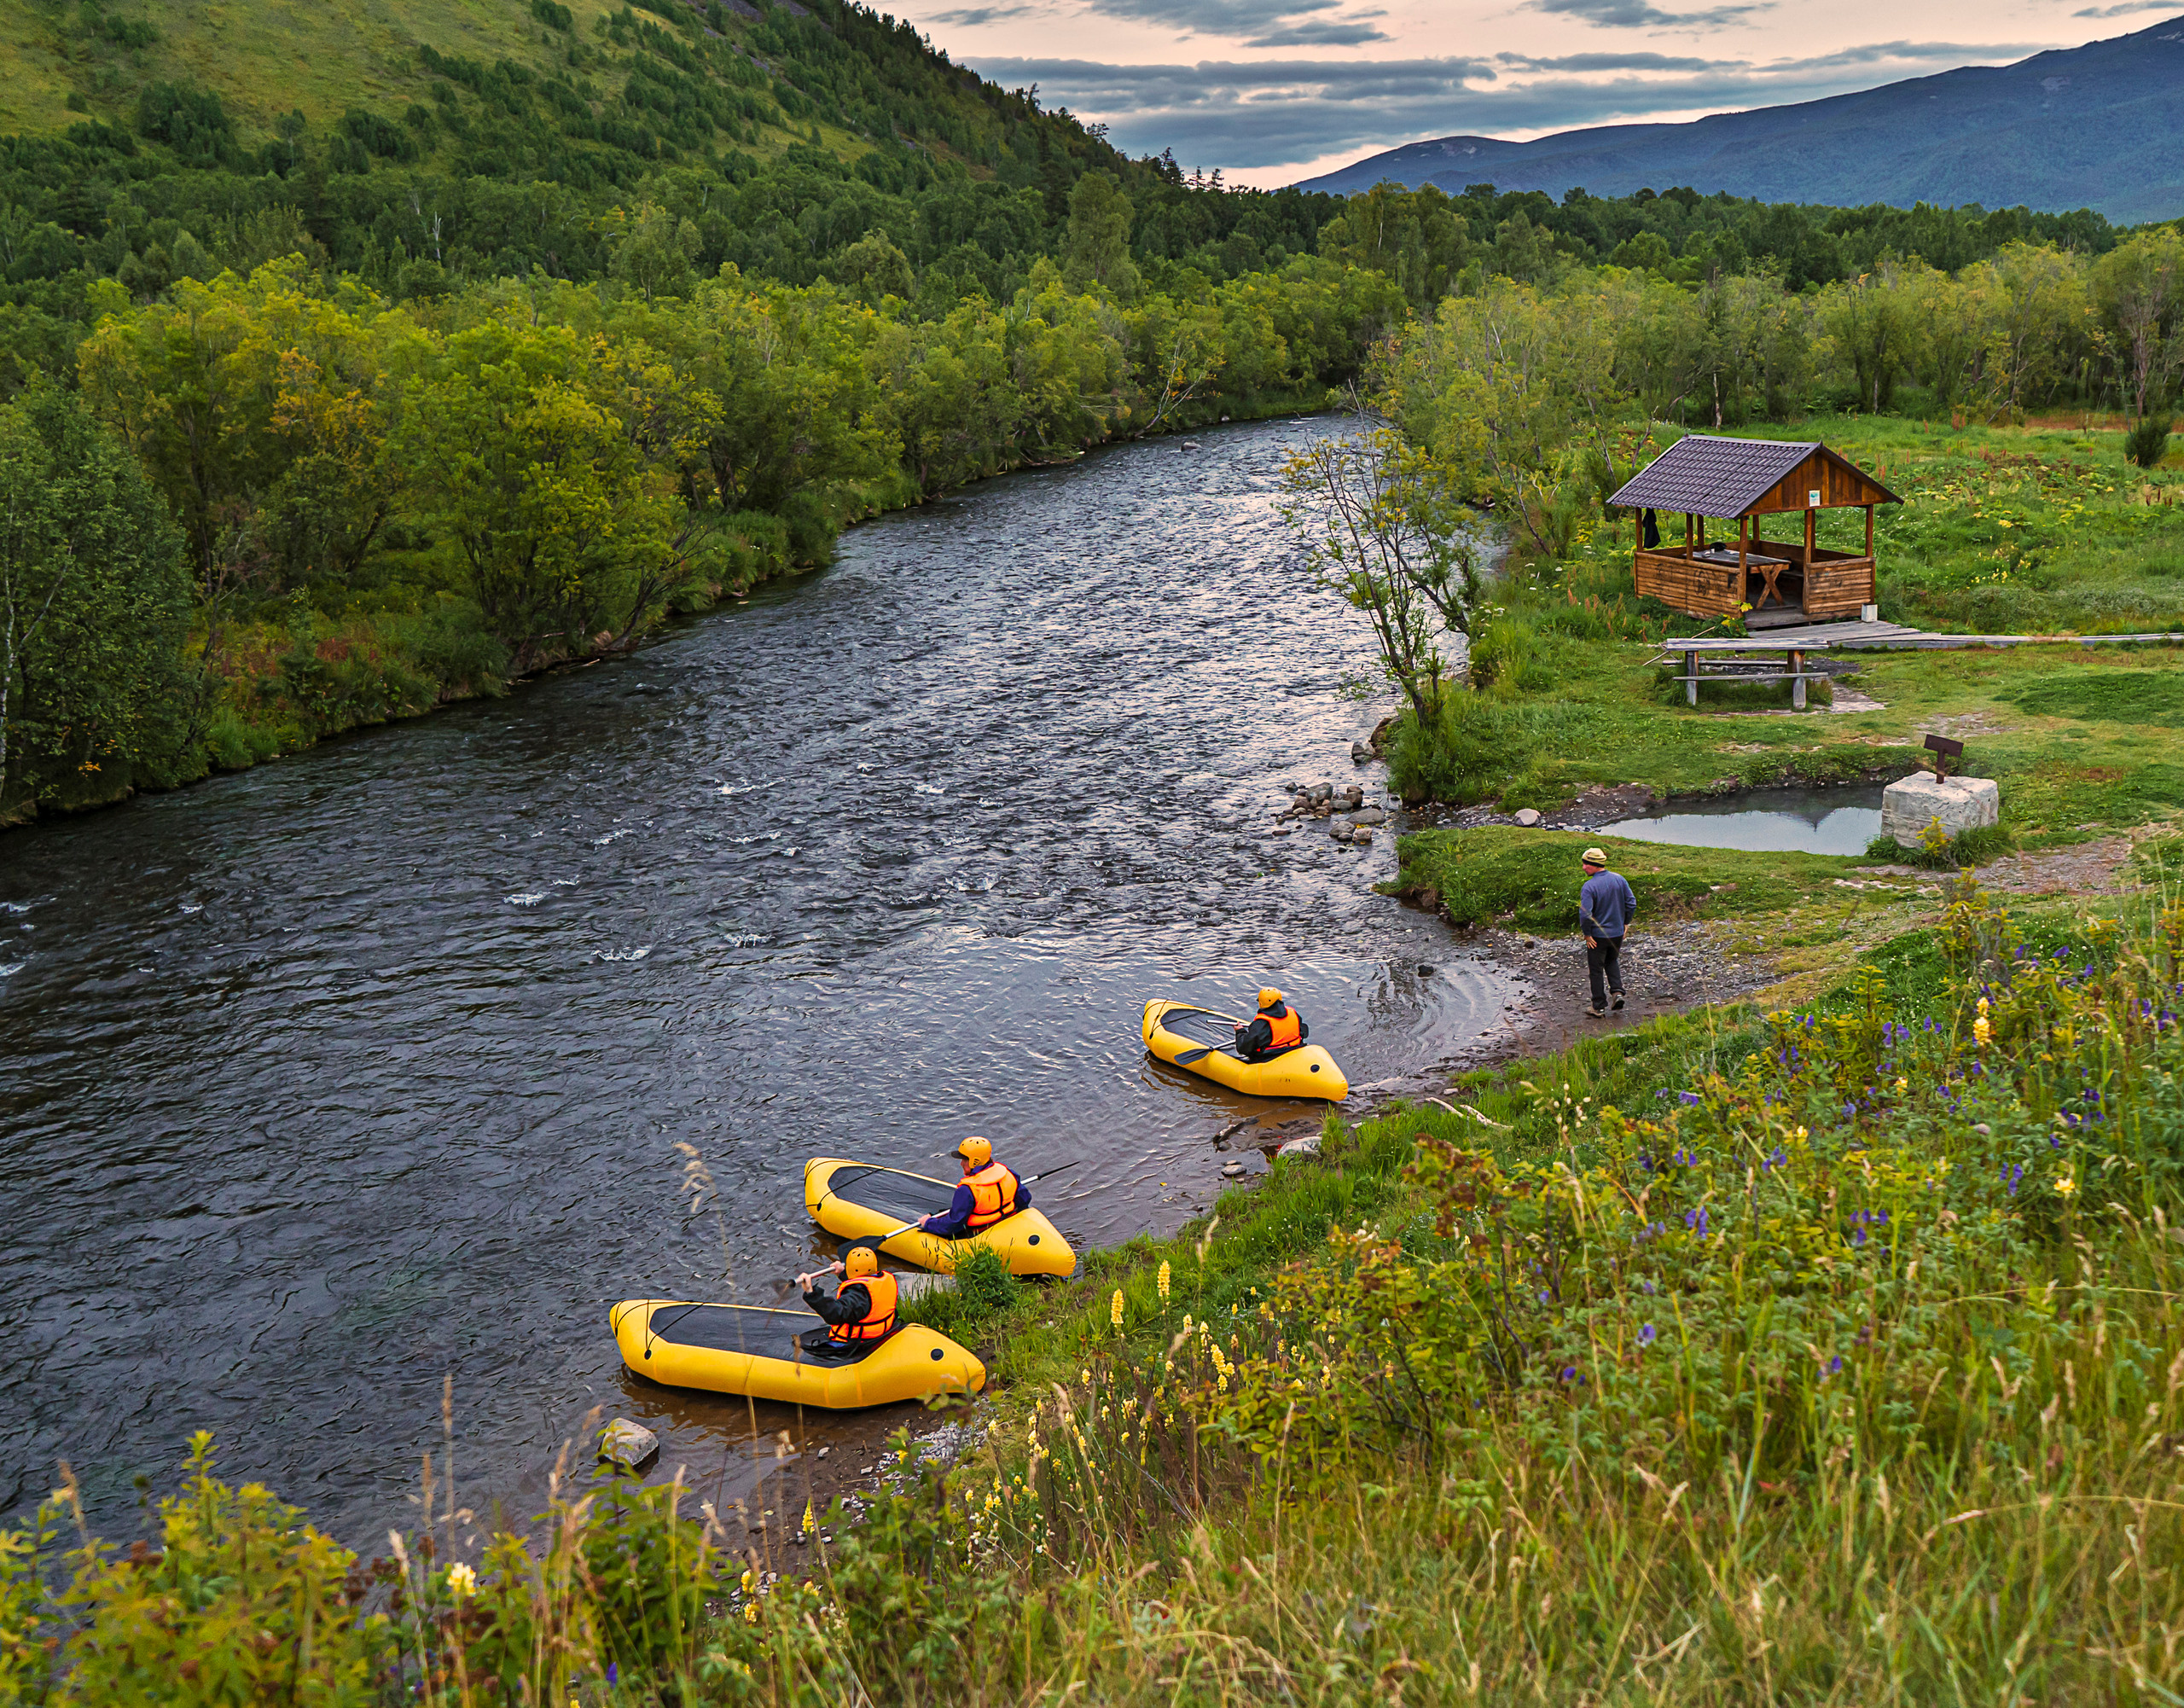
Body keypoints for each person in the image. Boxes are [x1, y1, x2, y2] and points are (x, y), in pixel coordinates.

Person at [915, 1136, 1028, 1239]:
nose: (961, 1164)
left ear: (975, 1161)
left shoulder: (967, 1190)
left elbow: (953, 1225)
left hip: (981, 1231)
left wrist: (928, 1223)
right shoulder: (1009, 1173)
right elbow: (1024, 1199)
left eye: (964, 1160)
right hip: (1005, 1219)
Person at [796, 1244, 898, 1350]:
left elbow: (835, 1314)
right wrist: (841, 1273)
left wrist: (811, 1292)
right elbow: (862, 1286)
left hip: (859, 1342)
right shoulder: (886, 1280)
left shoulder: (858, 1296)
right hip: (884, 1330)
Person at [1578, 846, 1637, 1019]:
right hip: (1617, 933)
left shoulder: (1589, 886)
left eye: (1585, 864)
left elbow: (1585, 913)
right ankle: (1617, 992)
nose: (1583, 868)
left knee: (1596, 969)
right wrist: (1626, 923)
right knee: (1612, 961)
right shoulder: (1619, 879)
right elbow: (1631, 903)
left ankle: (1598, 1006)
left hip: (1597, 936)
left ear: (1594, 865)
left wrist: (1587, 934)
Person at [1234, 986, 1309, 1061]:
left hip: (1271, 1057)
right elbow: (1304, 1032)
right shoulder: (1293, 1013)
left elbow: (1243, 1048)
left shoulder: (1262, 1023)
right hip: (1294, 1049)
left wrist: (1240, 1031)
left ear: (1261, 1002)